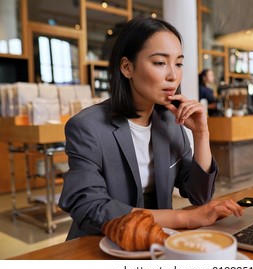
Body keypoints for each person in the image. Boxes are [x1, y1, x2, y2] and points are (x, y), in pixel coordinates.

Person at [59, 16, 242, 240]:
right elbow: (91, 208)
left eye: (178, 63)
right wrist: (183, 219)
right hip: (99, 245)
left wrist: (201, 134)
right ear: (127, 67)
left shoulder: (168, 122)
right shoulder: (88, 127)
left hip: (154, 242)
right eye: (160, 63)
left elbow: (199, 194)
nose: (173, 75)